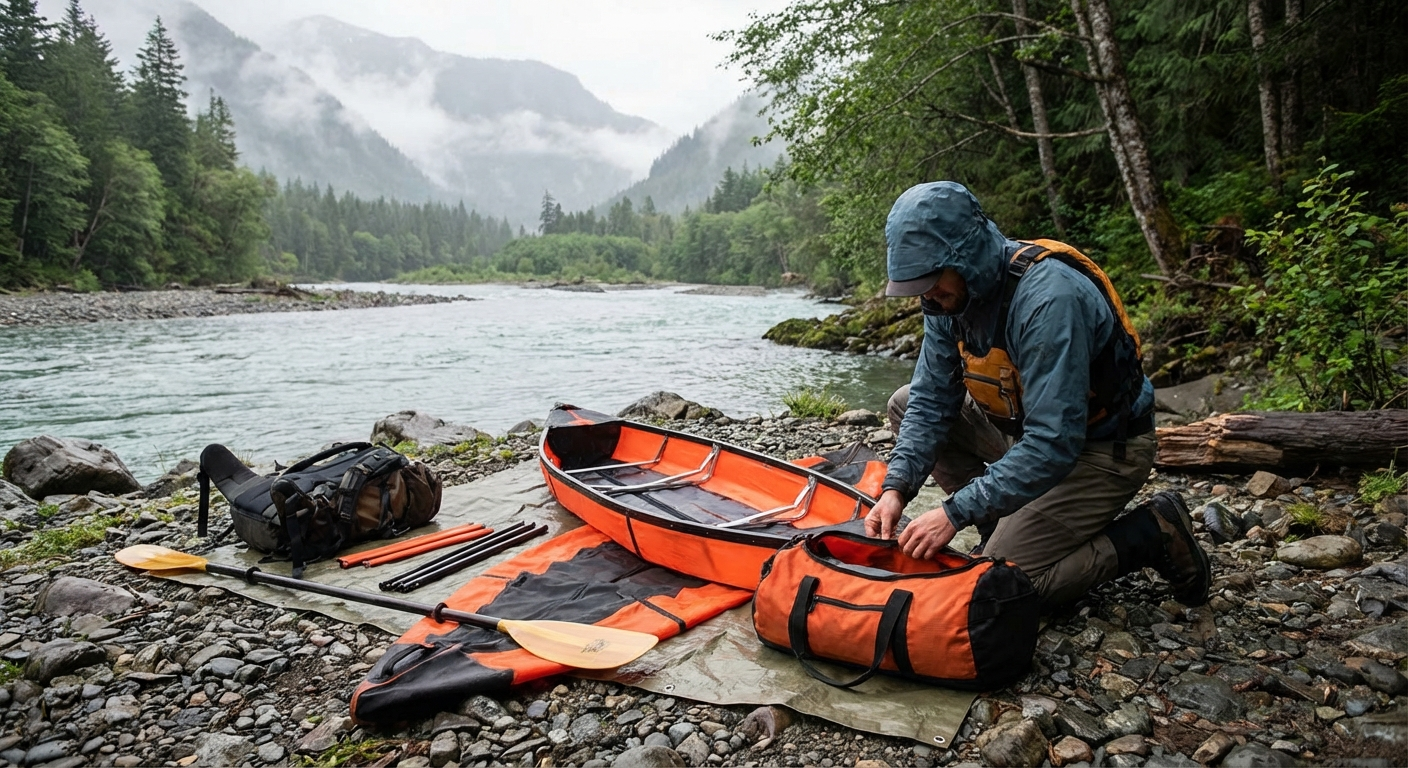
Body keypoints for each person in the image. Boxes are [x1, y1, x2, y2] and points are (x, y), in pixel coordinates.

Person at [864, 181, 1211, 609]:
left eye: (932, 280)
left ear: (964, 258)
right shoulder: (947, 300)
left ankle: (1151, 532)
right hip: (1026, 434)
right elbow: (931, 399)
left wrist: (956, 512)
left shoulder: (1049, 300)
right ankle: (1004, 527)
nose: (926, 294)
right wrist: (896, 488)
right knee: (904, 401)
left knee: (998, 593)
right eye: (917, 284)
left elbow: (1054, 442)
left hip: (1100, 449)